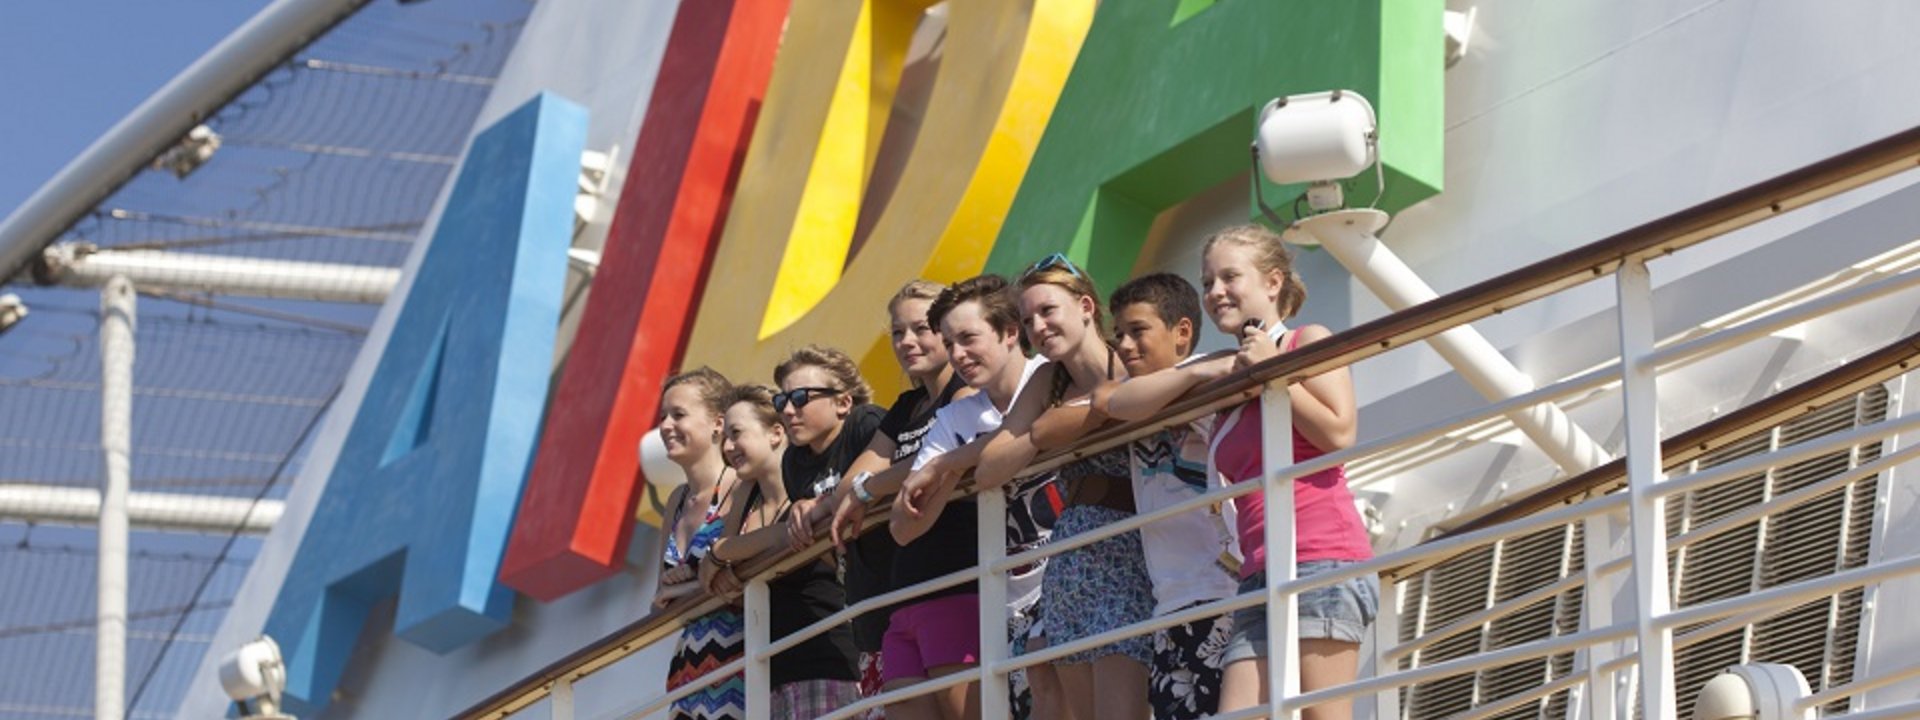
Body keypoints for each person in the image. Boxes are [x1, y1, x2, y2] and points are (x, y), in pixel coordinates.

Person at [1104, 224, 1375, 720]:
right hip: (1258, 571)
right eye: (1208, 282)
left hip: (1322, 557)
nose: (1215, 292)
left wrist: (1273, 372)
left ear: (1273, 282)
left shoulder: (1305, 341)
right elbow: (1121, 403)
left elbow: (1338, 433)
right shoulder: (1227, 371)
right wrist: (1208, 371)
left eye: (1230, 277)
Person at [974, 254, 1150, 720]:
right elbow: (990, 468)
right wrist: (1044, 430)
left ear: (1086, 306)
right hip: (1071, 560)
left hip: (1132, 548)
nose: (1038, 326)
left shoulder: (1129, 360)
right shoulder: (1049, 381)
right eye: (1028, 320)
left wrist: (1071, 419)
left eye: (1048, 310)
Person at [889, 274, 1065, 720]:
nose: (958, 355)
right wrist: (947, 468)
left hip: (1068, 580)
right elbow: (904, 528)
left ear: (1010, 333)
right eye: (949, 343)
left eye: (968, 338)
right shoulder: (954, 416)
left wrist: (947, 463)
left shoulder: (1054, 378)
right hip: (1004, 607)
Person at [808, 280, 975, 720]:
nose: (907, 342)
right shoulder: (906, 406)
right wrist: (846, 494)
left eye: (921, 328)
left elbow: (933, 461)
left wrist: (869, 489)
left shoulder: (965, 391)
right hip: (905, 591)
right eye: (898, 332)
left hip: (956, 577)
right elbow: (851, 481)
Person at [1105, 273, 1240, 719]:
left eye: (1137, 330)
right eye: (1118, 334)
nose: (1124, 345)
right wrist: (1197, 372)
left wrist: (1199, 371)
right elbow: (1119, 403)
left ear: (1182, 331)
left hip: (1223, 587)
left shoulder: (1217, 374)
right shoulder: (1192, 376)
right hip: (1171, 599)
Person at [700, 383, 861, 718]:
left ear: (776, 433)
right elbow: (715, 562)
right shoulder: (746, 495)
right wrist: (722, 554)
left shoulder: (807, 488)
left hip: (825, 662)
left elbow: (792, 535)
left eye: (737, 433)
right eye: (724, 438)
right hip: (771, 674)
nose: (728, 447)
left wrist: (725, 552)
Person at [653, 367, 746, 720]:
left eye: (678, 414)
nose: (664, 426)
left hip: (738, 660)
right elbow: (659, 601)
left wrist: (685, 586)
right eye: (663, 416)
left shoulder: (740, 487)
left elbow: (743, 577)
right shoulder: (677, 501)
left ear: (717, 423)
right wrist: (680, 588)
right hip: (687, 673)